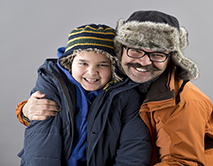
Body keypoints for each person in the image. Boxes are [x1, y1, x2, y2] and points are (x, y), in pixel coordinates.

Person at [16, 10, 213, 165]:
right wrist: (26, 110)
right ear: (121, 53)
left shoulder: (184, 101)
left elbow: (181, 162)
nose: (144, 62)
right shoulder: (126, 84)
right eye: (136, 51)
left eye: (157, 54)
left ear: (171, 58)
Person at [17, 24, 152, 166]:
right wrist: (25, 110)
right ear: (70, 63)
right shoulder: (53, 84)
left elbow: (134, 146)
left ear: (114, 68)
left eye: (102, 65)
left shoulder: (126, 95)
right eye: (83, 63)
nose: (92, 72)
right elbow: (41, 141)